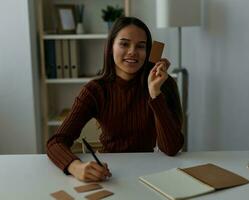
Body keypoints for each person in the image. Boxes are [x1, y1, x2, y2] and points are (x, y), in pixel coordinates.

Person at [47, 16, 184, 182]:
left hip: (150, 172)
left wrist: (155, 93)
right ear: (110, 47)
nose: (132, 51)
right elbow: (56, 142)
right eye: (124, 44)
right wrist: (75, 167)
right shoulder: (95, 90)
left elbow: (171, 148)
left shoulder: (163, 84)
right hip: (110, 172)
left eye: (141, 46)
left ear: (148, 52)